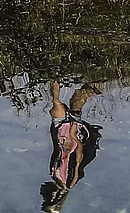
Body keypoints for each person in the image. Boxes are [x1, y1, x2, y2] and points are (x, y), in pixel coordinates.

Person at [41, 80, 103, 211]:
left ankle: (59, 83)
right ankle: (92, 86)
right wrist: (74, 136)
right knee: (71, 107)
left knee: (58, 105)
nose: (44, 195)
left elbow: (56, 152)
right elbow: (79, 157)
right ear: (57, 197)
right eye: (47, 198)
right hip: (76, 136)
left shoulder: (53, 174)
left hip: (61, 133)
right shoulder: (71, 181)